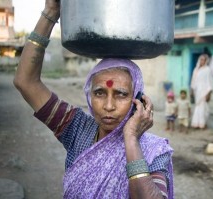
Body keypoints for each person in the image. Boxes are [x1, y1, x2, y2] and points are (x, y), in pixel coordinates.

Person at [13, 0, 174, 198]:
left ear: (139, 100)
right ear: (89, 96)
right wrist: (51, 12)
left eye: (121, 94)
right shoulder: (78, 129)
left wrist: (131, 140)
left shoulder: (155, 151)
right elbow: (25, 82)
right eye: (99, 93)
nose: (108, 106)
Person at [190, 54, 213, 129]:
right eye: (201, 59)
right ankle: (196, 124)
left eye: (203, 60)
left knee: (204, 108)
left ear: (206, 61)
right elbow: (193, 81)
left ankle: (202, 124)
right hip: (197, 91)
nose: (202, 61)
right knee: (197, 107)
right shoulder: (196, 69)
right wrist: (192, 91)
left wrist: (208, 93)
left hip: (204, 91)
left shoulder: (207, 69)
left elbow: (209, 82)